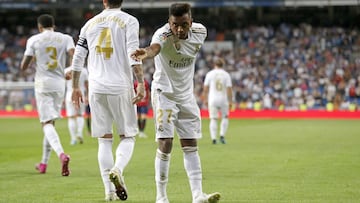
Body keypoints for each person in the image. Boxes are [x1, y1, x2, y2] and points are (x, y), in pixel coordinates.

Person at [131, 3, 221, 203]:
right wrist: (146, 53)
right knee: (166, 141)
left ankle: (197, 195)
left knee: (190, 143)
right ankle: (161, 197)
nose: (179, 29)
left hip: (186, 95)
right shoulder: (162, 35)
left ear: (191, 21)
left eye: (184, 24)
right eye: (174, 25)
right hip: (165, 93)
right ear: (168, 23)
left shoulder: (201, 31)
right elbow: (155, 48)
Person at [71, 0, 145, 201]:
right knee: (127, 136)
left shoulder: (89, 24)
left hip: (96, 87)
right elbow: (133, 55)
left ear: (104, 1)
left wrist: (75, 86)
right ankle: (118, 169)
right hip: (120, 86)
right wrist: (141, 82)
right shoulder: (129, 21)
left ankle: (109, 192)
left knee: (104, 140)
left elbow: (78, 57)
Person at [20, 14, 73, 176]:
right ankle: (43, 163)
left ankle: (61, 155)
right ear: (54, 25)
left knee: (46, 123)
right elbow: (74, 54)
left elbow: (24, 66)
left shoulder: (34, 40)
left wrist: (36, 58)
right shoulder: (65, 38)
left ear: (39, 26)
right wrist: (69, 69)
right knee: (50, 124)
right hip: (59, 84)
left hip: (43, 83)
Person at [203, 58, 233, 144]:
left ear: (214, 65)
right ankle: (222, 135)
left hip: (212, 98)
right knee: (225, 117)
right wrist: (230, 100)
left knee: (213, 118)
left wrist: (205, 98)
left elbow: (205, 88)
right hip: (223, 99)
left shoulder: (210, 74)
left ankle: (213, 138)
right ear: (223, 65)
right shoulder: (226, 75)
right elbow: (229, 89)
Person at [64, 66, 88, 145]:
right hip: (80, 94)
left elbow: (63, 85)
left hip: (69, 95)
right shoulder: (84, 70)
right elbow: (86, 84)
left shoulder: (66, 70)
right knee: (80, 115)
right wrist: (87, 95)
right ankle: (80, 133)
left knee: (71, 117)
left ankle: (73, 139)